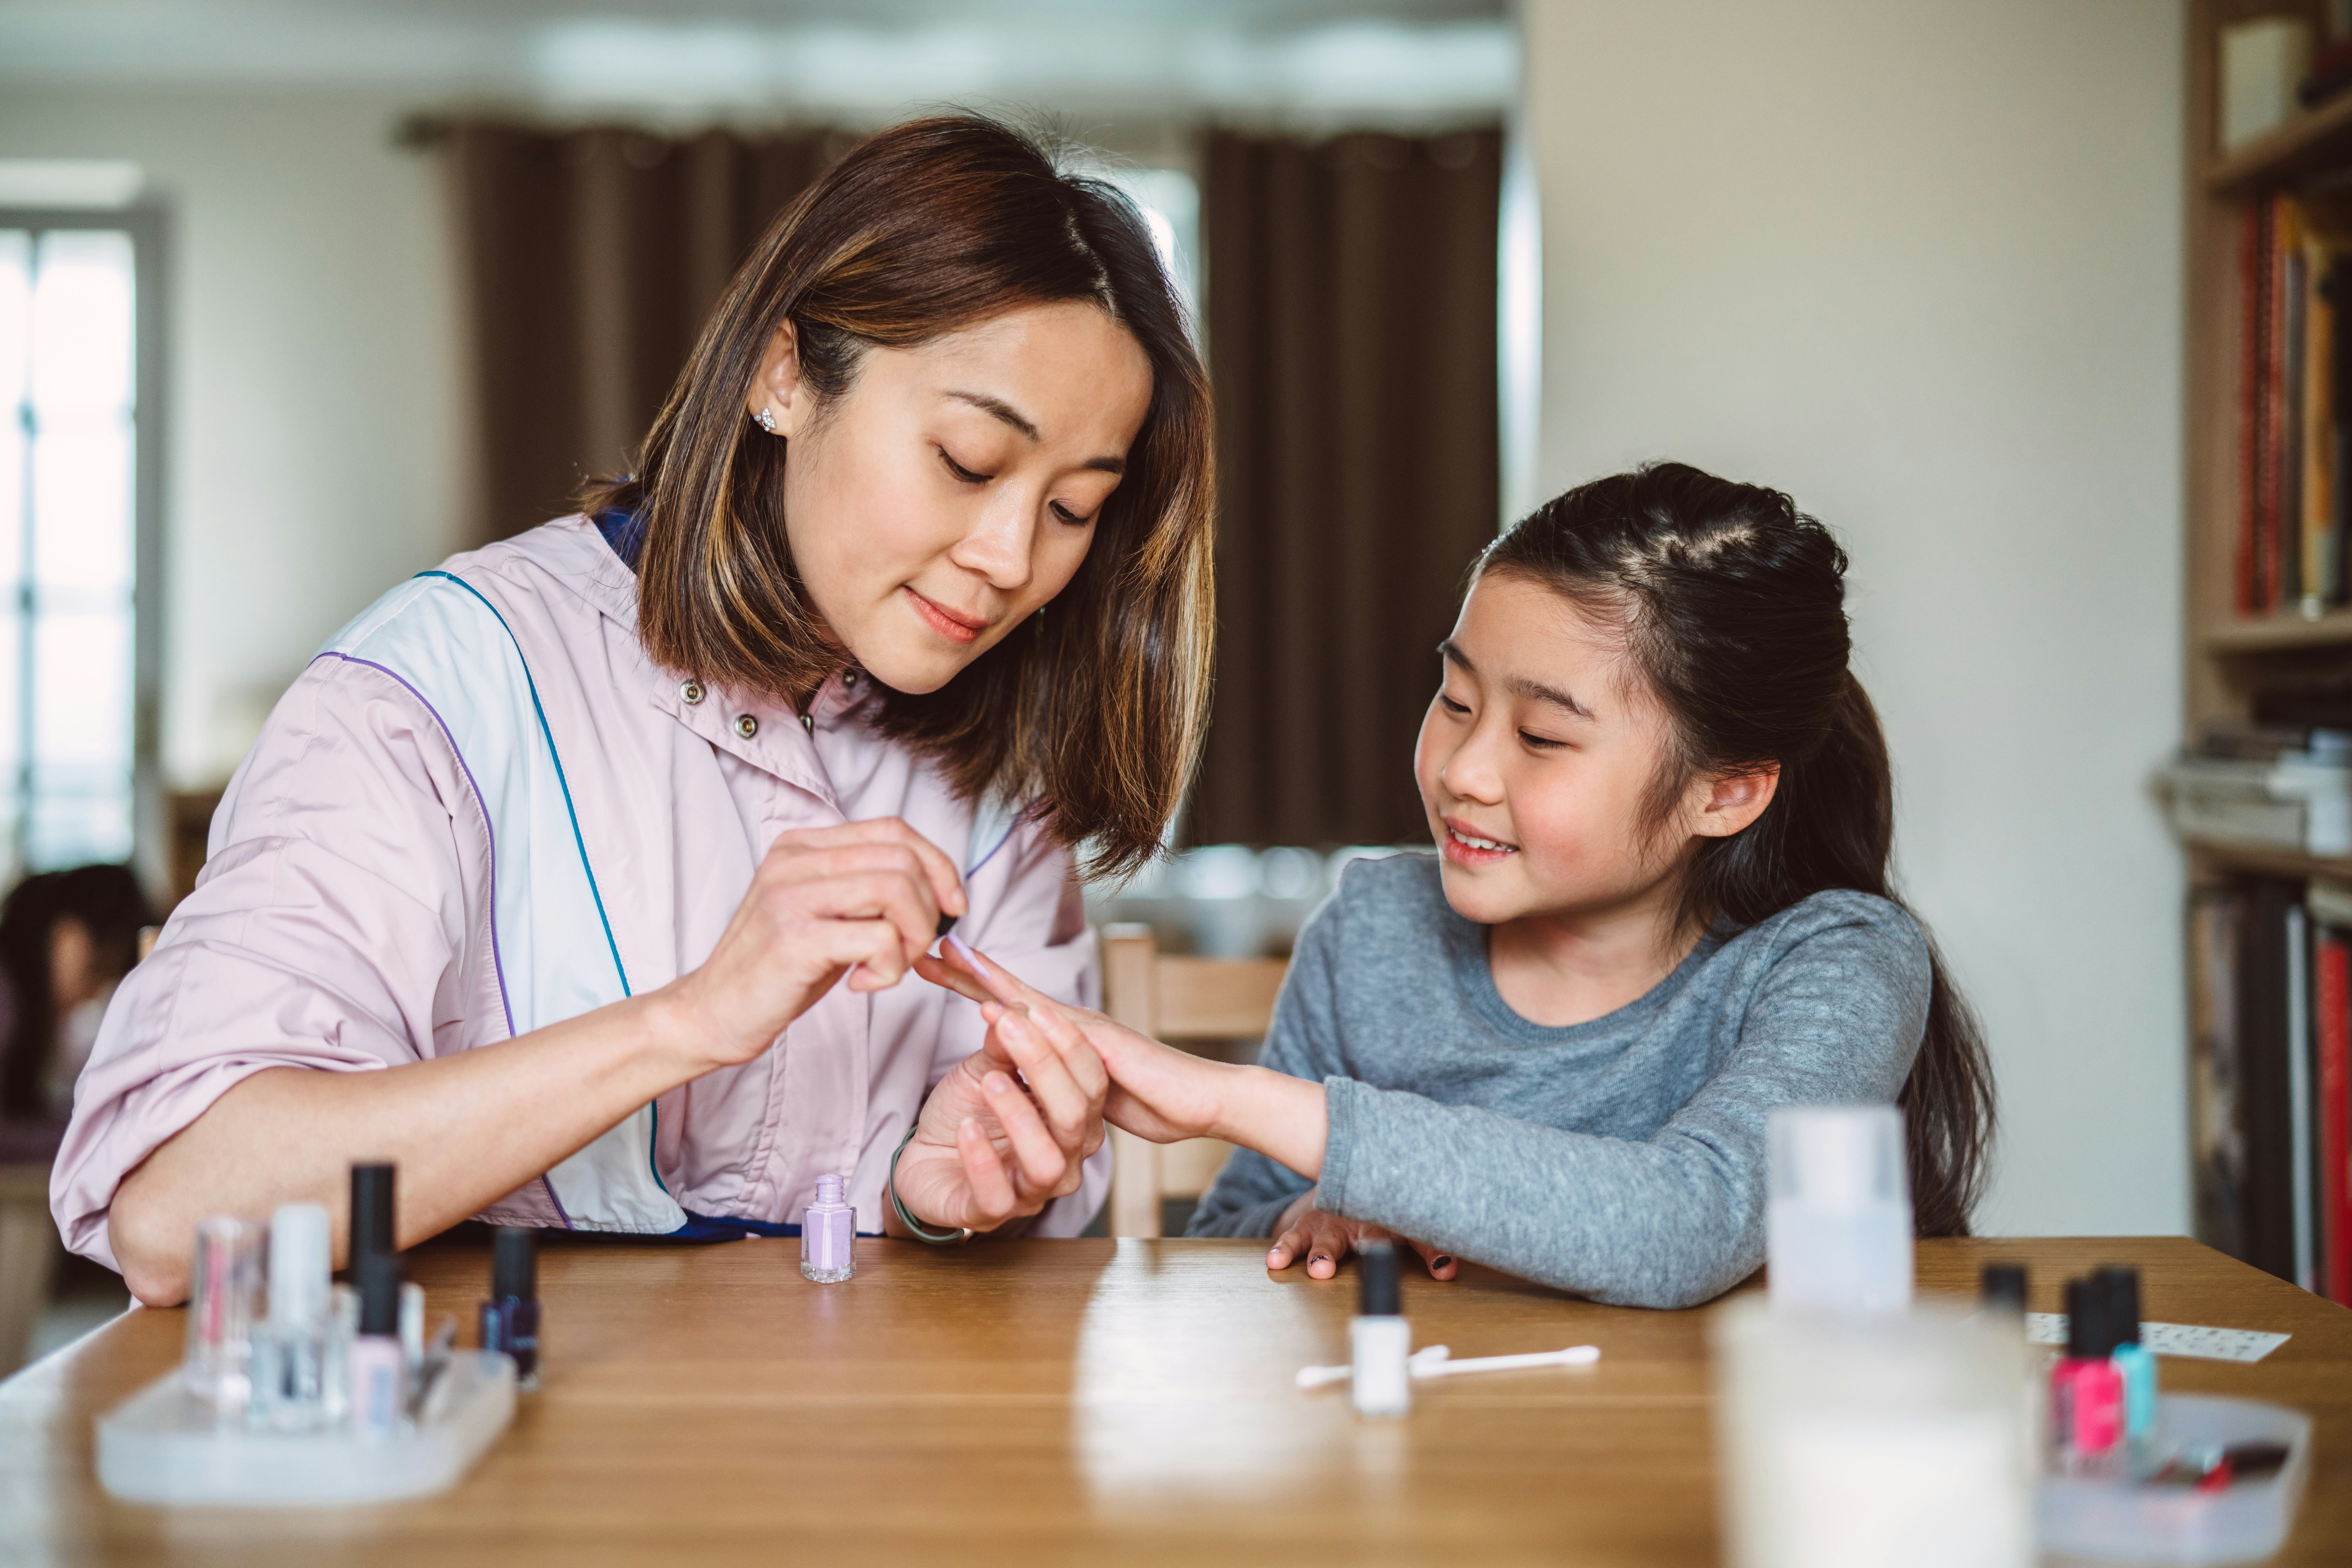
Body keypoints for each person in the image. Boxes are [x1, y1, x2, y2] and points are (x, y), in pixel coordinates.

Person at [52, 115, 1214, 1305]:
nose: (1011, 554)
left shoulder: (1001, 761)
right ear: (780, 376)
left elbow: (1016, 1231)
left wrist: (941, 1193)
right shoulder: (442, 687)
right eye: (968, 460)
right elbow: (171, 1201)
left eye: (1074, 509)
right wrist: (689, 1021)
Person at [927, 463, 1994, 1310]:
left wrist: (1227, 1097)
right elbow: (1235, 1241)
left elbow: (1689, 1225)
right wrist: (1317, 1222)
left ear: (1726, 794)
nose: (1464, 772)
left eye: (1541, 736)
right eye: (1454, 700)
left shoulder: (1835, 961)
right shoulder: (1377, 929)